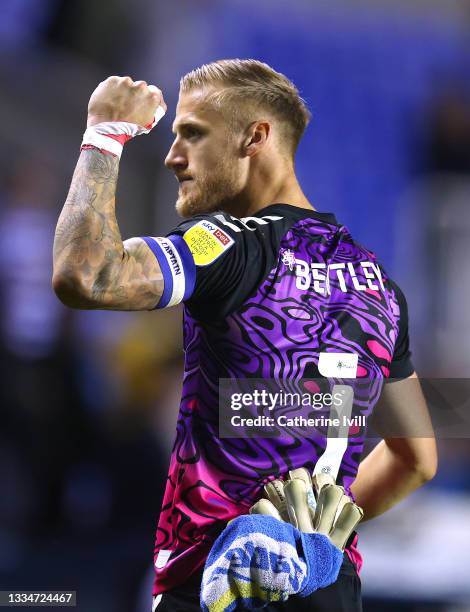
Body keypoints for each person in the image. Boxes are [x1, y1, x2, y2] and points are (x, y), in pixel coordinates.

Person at [52, 59, 438, 611]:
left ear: (255, 137)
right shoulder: (381, 286)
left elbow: (86, 275)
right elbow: (416, 459)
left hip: (217, 582)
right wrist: (308, 541)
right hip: (328, 585)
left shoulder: (229, 243)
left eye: (192, 133)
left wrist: (105, 134)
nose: (172, 156)